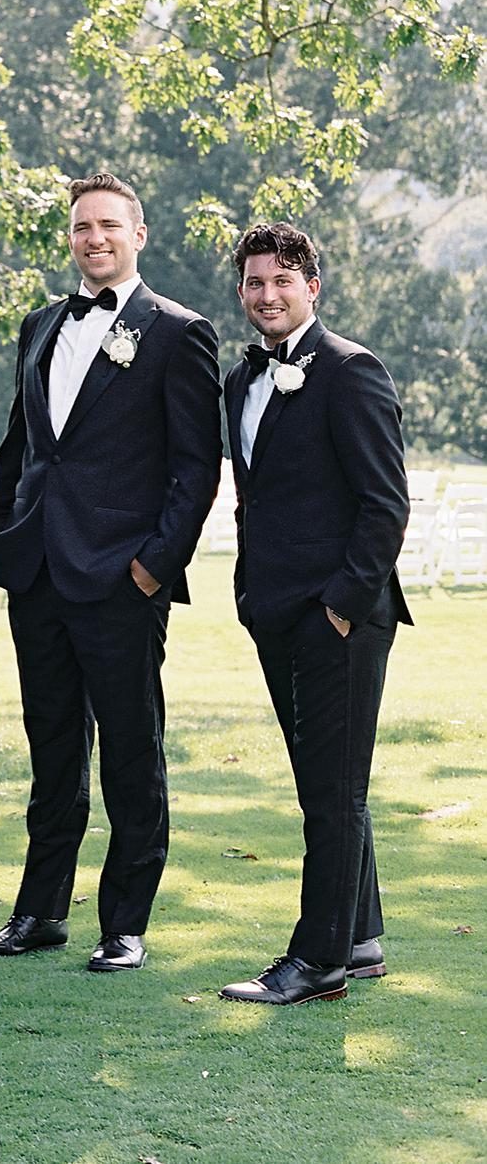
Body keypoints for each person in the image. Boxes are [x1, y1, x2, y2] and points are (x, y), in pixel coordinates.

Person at [0, 171, 221, 973]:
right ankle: (38, 913)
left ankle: (124, 924)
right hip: (37, 570)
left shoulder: (178, 332)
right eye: (81, 227)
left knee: (129, 751)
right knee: (50, 751)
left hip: (121, 578)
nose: (94, 238)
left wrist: (153, 567)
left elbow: (195, 467)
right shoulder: (39, 324)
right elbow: (22, 442)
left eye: (109, 225)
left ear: (137, 235)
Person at [218, 221, 411, 1006]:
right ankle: (358, 934)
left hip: (340, 617)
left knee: (332, 795)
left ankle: (316, 962)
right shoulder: (241, 381)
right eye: (255, 283)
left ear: (311, 288)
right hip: (273, 610)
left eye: (282, 281)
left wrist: (339, 605)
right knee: (322, 785)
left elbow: (384, 504)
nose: (267, 295)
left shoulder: (350, 371)